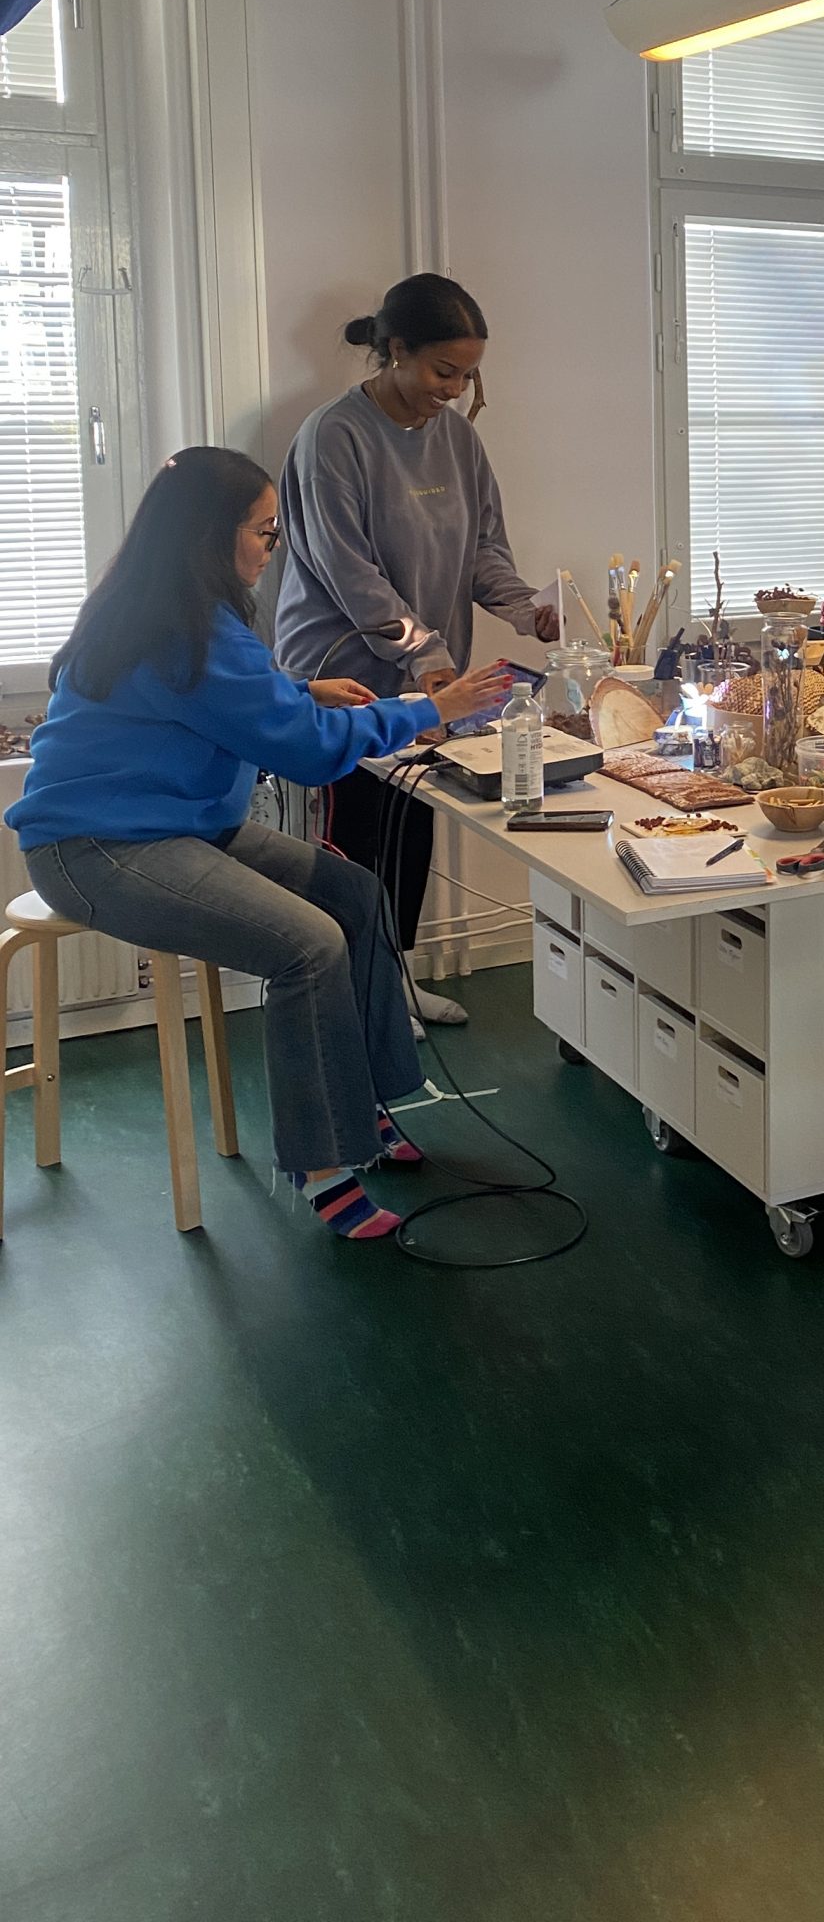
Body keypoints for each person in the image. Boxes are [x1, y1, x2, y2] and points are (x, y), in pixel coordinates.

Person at [5, 449, 510, 1241]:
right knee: (308, 944)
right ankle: (322, 1164)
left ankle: (363, 1105)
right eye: (265, 532)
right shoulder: (189, 629)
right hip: (98, 849)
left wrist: (300, 692)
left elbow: (212, 701)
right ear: (212, 534)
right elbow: (306, 752)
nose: (272, 547)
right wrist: (427, 709)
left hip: (175, 826)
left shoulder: (159, 605)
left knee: (356, 896)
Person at [274, 274, 559, 1020]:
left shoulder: (458, 439)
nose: (455, 391)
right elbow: (349, 573)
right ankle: (346, 996)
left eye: (468, 376)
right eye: (443, 372)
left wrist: (526, 609)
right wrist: (427, 657)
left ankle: (392, 983)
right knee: (354, 836)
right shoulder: (332, 437)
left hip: (426, 679)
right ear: (396, 350)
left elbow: (483, 550)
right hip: (342, 677)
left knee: (412, 823)